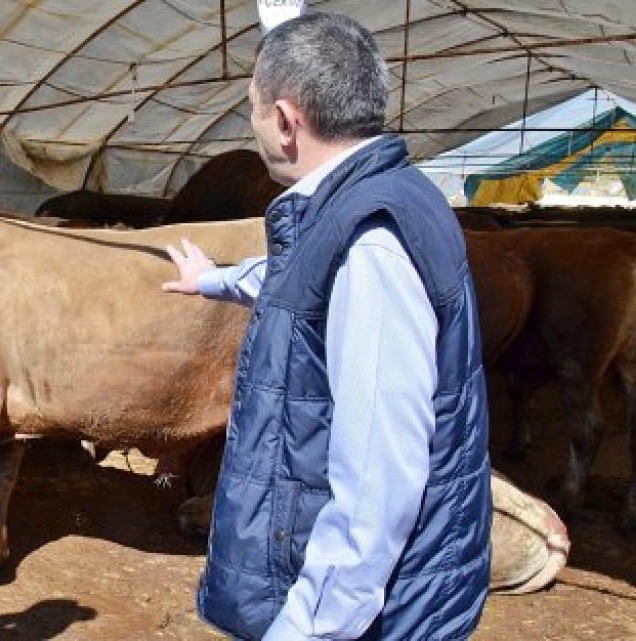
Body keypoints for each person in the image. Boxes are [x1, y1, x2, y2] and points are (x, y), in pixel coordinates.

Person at [161, 12, 492, 641]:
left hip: (374, 615)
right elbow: (310, 279)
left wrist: (309, 627)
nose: (252, 124)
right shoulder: (380, 198)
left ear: (286, 121)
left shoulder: (371, 246)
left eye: (253, 109)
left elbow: (376, 483)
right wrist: (217, 280)